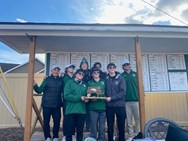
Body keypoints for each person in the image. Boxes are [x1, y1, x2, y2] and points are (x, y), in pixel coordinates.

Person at [33, 66, 64, 141]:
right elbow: (39, 90)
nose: (56, 71)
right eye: (54, 70)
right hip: (46, 105)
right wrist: (34, 85)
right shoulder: (46, 79)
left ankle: (55, 137)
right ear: (51, 71)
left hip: (57, 105)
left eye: (57, 70)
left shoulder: (61, 80)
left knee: (57, 122)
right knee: (46, 122)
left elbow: (64, 91)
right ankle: (47, 137)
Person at [63, 69, 88, 141]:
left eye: (83, 74)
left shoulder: (84, 85)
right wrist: (79, 98)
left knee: (80, 132)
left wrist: (87, 99)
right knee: (69, 133)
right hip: (71, 111)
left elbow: (86, 96)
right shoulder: (69, 83)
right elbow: (66, 96)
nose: (81, 75)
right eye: (80, 74)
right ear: (75, 74)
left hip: (81, 111)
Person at [105, 63, 126, 141]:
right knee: (110, 126)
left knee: (121, 126)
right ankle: (110, 139)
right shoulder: (105, 79)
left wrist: (112, 98)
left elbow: (123, 93)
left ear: (115, 69)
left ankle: (121, 139)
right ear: (108, 69)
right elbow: (103, 91)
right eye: (110, 67)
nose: (112, 69)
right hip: (109, 106)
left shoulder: (121, 78)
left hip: (120, 106)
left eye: (113, 67)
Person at [121, 60, 140, 141]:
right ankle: (130, 136)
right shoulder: (121, 76)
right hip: (126, 101)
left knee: (137, 118)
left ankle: (138, 134)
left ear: (129, 65)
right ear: (122, 67)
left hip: (136, 100)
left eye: (127, 64)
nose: (126, 66)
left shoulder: (136, 74)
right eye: (124, 65)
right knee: (128, 119)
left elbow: (140, 86)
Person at [87, 67, 106, 141]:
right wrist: (91, 97)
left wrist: (100, 95)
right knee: (93, 126)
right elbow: (88, 94)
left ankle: (101, 139)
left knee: (102, 126)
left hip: (102, 107)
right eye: (94, 73)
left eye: (97, 72)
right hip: (93, 107)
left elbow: (106, 93)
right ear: (92, 74)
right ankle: (93, 138)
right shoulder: (89, 82)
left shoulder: (103, 82)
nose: (96, 74)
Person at [79, 57, 91, 134]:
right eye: (82, 64)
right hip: (81, 97)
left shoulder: (90, 72)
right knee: (80, 115)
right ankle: (79, 131)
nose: (84, 65)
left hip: (89, 96)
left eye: (85, 64)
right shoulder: (78, 73)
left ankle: (87, 131)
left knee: (89, 115)